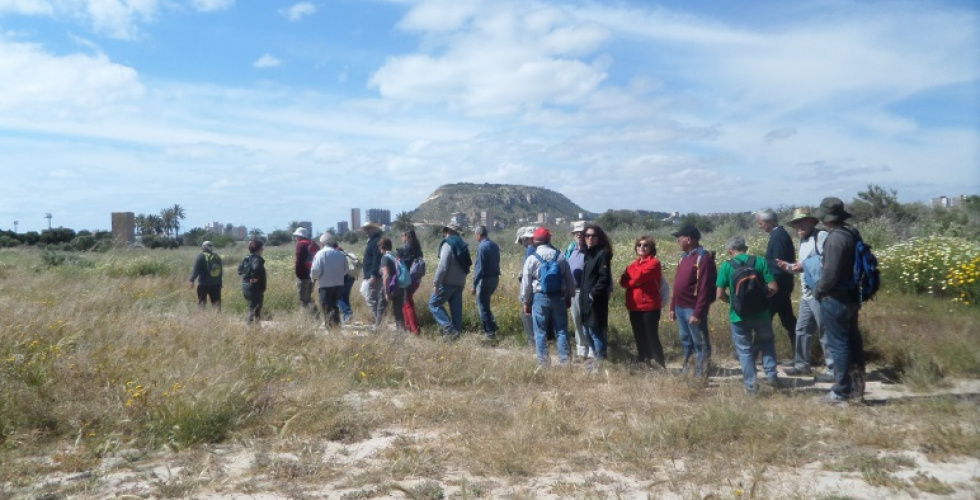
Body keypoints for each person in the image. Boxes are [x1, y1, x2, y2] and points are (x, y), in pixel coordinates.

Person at [813, 197, 866, 403]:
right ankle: (857, 390)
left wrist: (819, 290)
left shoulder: (835, 239)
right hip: (851, 295)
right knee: (853, 344)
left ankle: (841, 391)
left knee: (840, 345)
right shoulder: (852, 233)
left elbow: (830, 273)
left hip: (835, 298)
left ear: (826, 218)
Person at [716, 236, 780, 393]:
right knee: (767, 343)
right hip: (761, 314)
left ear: (730, 250)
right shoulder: (760, 262)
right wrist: (761, 300)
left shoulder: (726, 266)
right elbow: (773, 287)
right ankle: (771, 376)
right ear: (745, 248)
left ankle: (751, 386)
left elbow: (719, 294)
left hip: (738, 315)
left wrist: (733, 302)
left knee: (744, 350)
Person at [776, 207, 831, 376]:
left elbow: (827, 260)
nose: (798, 226)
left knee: (825, 331)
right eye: (796, 223)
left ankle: (834, 369)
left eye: (802, 222)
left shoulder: (820, 236)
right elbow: (804, 266)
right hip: (807, 295)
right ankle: (801, 365)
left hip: (820, 293)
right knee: (801, 329)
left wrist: (802, 265)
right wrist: (789, 267)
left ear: (811, 222)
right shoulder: (803, 240)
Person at [519, 227, 575, 367]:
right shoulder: (560, 256)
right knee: (561, 330)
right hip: (559, 297)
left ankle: (543, 364)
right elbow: (569, 279)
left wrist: (526, 301)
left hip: (540, 297)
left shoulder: (532, 259)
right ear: (549, 239)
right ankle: (565, 362)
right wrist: (569, 296)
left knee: (540, 332)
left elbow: (526, 283)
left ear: (535, 240)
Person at [669, 225, 716, 376]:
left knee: (699, 342)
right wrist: (672, 307)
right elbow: (677, 285)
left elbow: (705, 288)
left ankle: (701, 373)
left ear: (688, 239)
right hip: (680, 307)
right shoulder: (684, 258)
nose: (678, 241)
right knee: (686, 341)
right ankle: (688, 369)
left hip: (693, 309)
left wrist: (698, 312)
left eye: (680, 238)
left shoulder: (704, 258)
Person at [620, 235, 666, 369]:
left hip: (649, 305)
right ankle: (643, 362)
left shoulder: (654, 263)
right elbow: (623, 282)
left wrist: (630, 274)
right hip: (634, 306)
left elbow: (637, 276)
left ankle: (659, 364)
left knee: (651, 336)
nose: (642, 247)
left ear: (651, 248)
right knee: (639, 336)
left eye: (645, 245)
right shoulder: (635, 264)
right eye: (639, 245)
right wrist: (633, 280)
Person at [757, 209, 797, 358]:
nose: (760, 226)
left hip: (778, 286)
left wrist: (771, 285)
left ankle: (753, 352)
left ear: (769, 222)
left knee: (764, 318)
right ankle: (799, 355)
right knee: (788, 321)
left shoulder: (778, 236)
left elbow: (778, 265)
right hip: (782, 285)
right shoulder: (778, 235)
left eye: (760, 223)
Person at [429, 223, 470, 339]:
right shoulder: (462, 245)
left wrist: (436, 283)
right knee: (456, 310)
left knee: (433, 303)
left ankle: (449, 329)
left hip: (447, 282)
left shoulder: (448, 244)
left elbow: (443, 266)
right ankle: (456, 335)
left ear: (448, 231)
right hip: (460, 283)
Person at [580, 224, 613, 364]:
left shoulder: (602, 254)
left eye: (593, 236)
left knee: (595, 332)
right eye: (587, 236)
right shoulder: (588, 253)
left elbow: (604, 278)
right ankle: (596, 359)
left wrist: (593, 293)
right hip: (585, 299)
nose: (590, 238)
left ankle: (600, 361)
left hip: (595, 300)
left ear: (599, 237)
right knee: (587, 331)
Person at [564, 221, 592, 361]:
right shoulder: (571, 249)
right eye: (576, 232)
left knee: (589, 321)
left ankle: (592, 351)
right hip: (573, 291)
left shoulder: (592, 250)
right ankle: (581, 350)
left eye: (582, 232)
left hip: (589, 293)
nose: (579, 235)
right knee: (577, 321)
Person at [310, 232, 347, 329]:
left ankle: (330, 328)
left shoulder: (320, 254)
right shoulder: (340, 254)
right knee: (335, 306)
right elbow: (346, 269)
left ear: (322, 243)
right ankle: (337, 326)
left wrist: (314, 279)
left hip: (325, 285)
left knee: (326, 307)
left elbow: (315, 270)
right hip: (338, 284)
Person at [471, 225, 501, 340]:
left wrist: (474, 284)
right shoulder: (494, 245)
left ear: (478, 234)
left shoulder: (482, 247)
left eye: (475, 234)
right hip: (494, 278)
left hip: (485, 279)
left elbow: (479, 267)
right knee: (486, 304)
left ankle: (490, 333)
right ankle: (492, 326)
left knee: (482, 306)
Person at [359, 222, 386, 326]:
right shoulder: (372, 241)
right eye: (366, 229)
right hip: (371, 274)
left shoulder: (375, 241)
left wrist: (374, 274)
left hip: (373, 275)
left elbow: (377, 259)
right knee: (371, 296)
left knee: (371, 298)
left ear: (374, 229)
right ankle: (379, 320)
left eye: (369, 229)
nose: (367, 232)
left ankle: (379, 321)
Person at [516, 226, 538, 345]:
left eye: (521, 241)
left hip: (531, 288)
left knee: (527, 314)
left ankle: (532, 340)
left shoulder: (530, 249)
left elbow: (528, 273)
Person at [399, 229, 424, 334]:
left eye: (403, 235)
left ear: (407, 236)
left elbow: (405, 264)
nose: (402, 237)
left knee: (407, 303)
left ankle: (414, 328)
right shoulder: (418, 248)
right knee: (406, 302)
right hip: (416, 279)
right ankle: (408, 325)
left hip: (408, 279)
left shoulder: (407, 248)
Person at [379, 237, 406, 331]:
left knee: (381, 309)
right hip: (400, 286)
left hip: (390, 287)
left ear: (381, 247)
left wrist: (386, 292)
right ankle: (401, 331)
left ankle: (378, 329)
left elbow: (386, 276)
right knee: (398, 311)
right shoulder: (395, 256)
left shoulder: (385, 258)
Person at [238, 238, 267, 324]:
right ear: (259, 249)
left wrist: (247, 276)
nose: (263, 250)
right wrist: (254, 277)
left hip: (246, 286)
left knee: (253, 308)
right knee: (255, 310)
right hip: (255, 287)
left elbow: (239, 271)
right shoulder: (256, 259)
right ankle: (250, 329)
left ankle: (255, 328)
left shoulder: (246, 259)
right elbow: (256, 269)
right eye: (262, 248)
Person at [189, 240, 222, 311]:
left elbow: (196, 270)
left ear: (203, 247)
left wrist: (192, 280)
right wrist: (220, 283)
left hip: (203, 284)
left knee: (202, 303)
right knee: (216, 304)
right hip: (216, 284)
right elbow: (220, 272)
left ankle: (202, 318)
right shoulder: (216, 257)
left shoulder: (201, 256)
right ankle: (218, 319)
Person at [293, 227, 319, 317]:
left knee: (303, 299)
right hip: (313, 275)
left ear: (300, 236)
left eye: (296, 236)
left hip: (303, 275)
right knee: (308, 297)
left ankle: (306, 318)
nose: (296, 238)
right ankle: (315, 315)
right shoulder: (314, 244)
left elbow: (299, 261)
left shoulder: (301, 245)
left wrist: (298, 274)